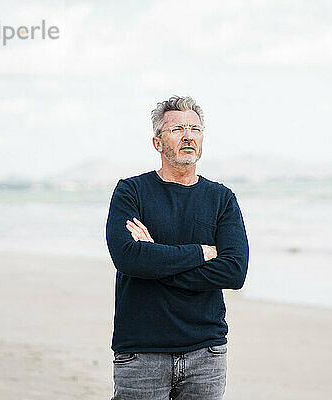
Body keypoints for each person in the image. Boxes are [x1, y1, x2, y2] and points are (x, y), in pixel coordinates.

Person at [105, 95, 249, 399]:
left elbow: (234, 272)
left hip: (205, 352)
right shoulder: (130, 192)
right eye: (177, 129)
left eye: (195, 129)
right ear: (158, 143)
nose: (188, 136)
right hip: (141, 352)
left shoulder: (222, 198)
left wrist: (156, 261)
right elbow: (128, 258)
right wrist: (200, 252)